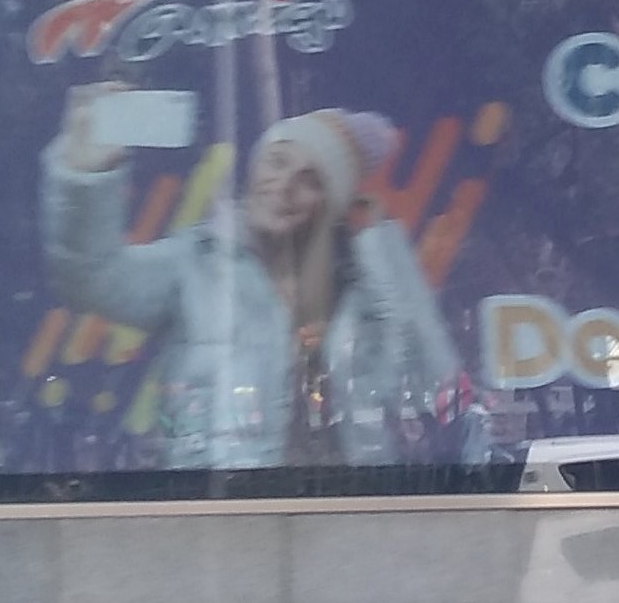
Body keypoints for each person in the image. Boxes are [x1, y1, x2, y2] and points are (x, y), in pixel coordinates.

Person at [43, 85, 466, 469]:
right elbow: (91, 277)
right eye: (276, 162)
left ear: (333, 204)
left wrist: (378, 240)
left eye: (310, 181)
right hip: (222, 512)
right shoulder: (198, 260)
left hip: (350, 512)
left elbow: (436, 385)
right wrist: (87, 176)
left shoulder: (362, 288)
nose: (282, 186)